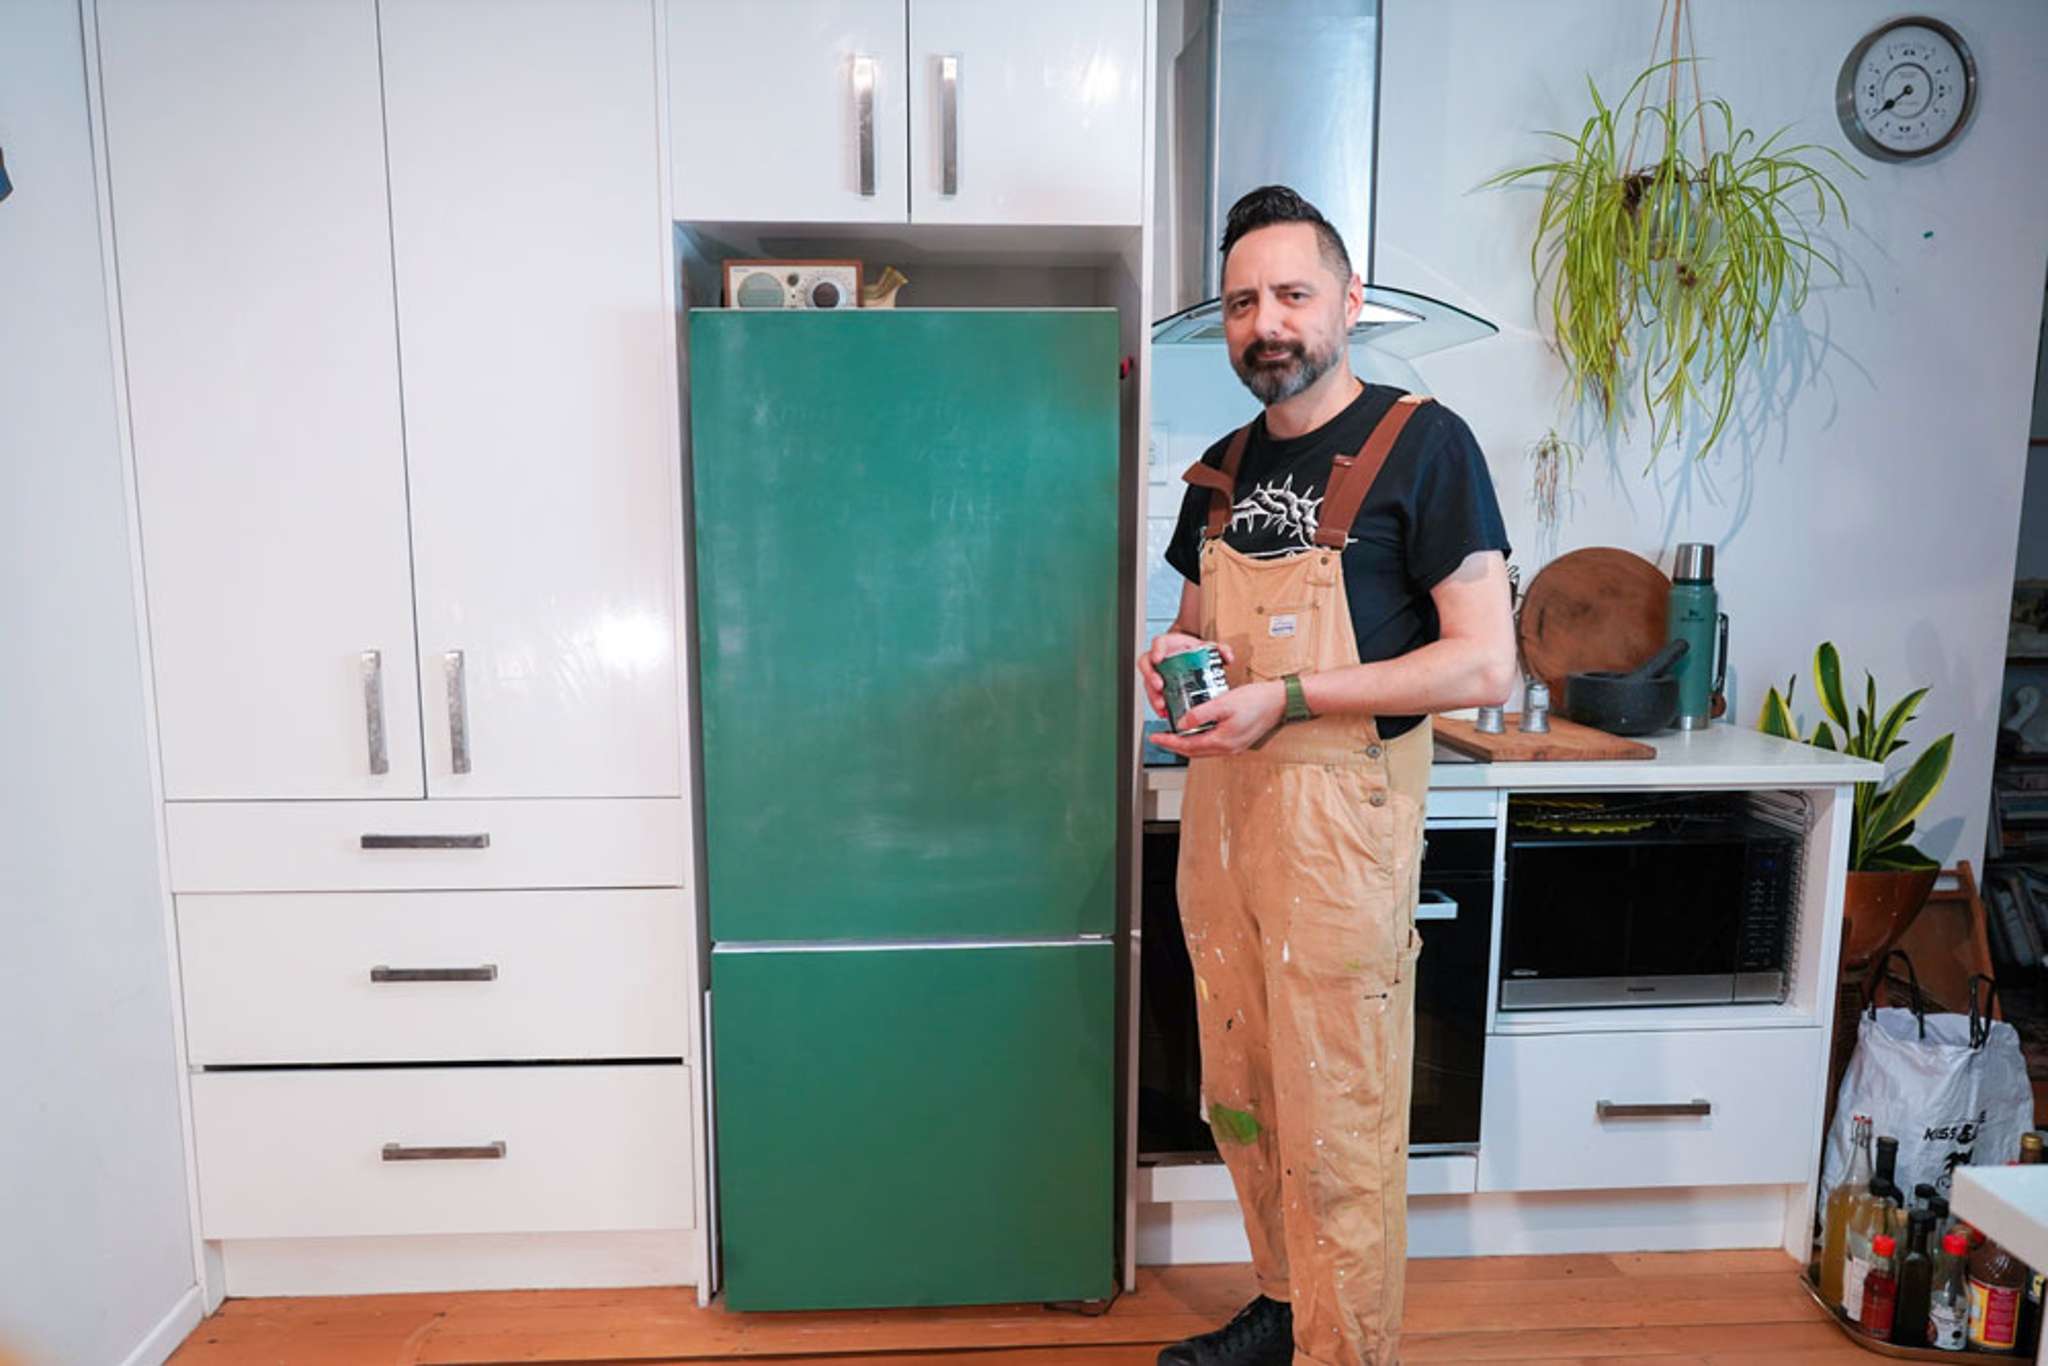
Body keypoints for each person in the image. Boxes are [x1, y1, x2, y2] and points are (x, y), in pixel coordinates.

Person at [1141, 185, 1517, 1366]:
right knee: (1242, 1086)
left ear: (1347, 303)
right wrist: (1172, 659)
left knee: (1338, 1109)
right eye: (1244, 301)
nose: (1267, 322)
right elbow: (1195, 624)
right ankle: (1284, 1299)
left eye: (1292, 294)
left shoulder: (1423, 443)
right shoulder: (1217, 471)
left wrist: (1290, 697)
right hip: (1225, 820)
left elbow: (1484, 663)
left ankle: (1345, 1348)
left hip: (1338, 828)